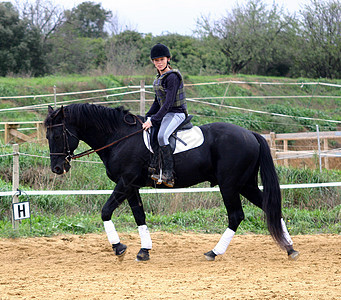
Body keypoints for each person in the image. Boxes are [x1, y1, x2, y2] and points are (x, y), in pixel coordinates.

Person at [142, 43, 188, 187]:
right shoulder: (158, 78)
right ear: (153, 62)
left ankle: (169, 173)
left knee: (162, 136)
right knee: (153, 131)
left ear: (168, 59)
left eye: (162, 59)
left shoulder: (172, 77)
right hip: (166, 112)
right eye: (156, 60)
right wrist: (147, 116)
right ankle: (155, 163)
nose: (159, 63)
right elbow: (157, 101)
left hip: (177, 112)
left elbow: (168, 104)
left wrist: (154, 119)